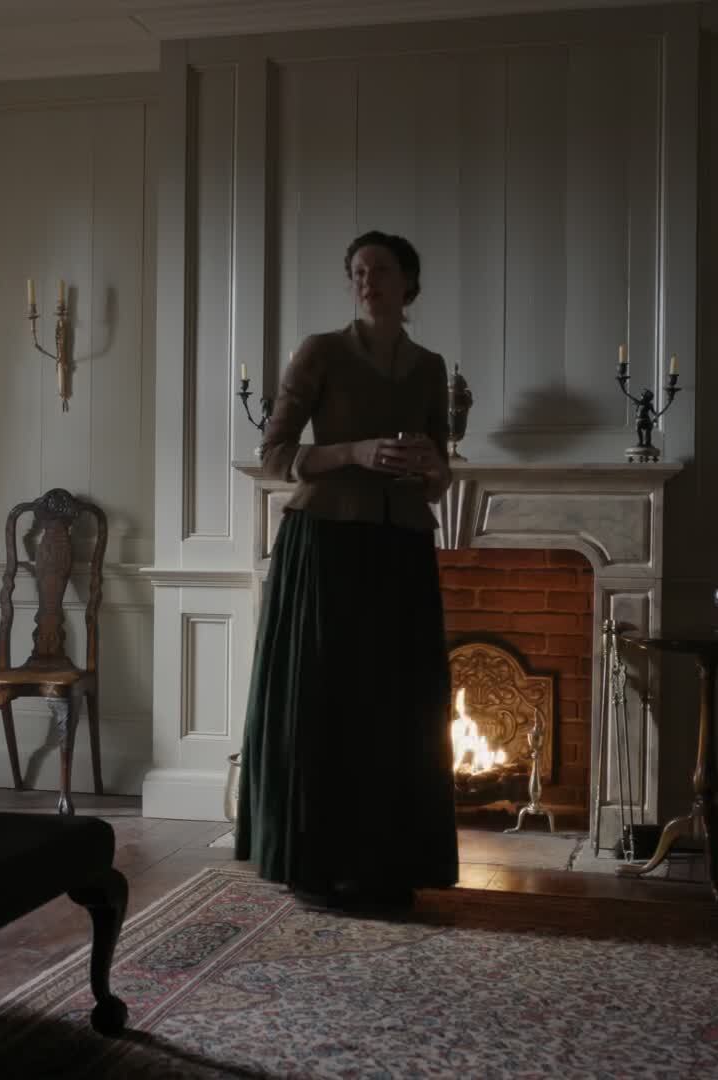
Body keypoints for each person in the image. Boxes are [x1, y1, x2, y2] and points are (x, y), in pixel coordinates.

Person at [233, 229, 459, 909]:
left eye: (380, 269)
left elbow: (440, 476)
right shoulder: (321, 351)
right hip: (326, 543)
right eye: (358, 271)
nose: (366, 280)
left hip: (400, 548)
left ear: (407, 282)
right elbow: (275, 454)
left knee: (398, 710)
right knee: (327, 704)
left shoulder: (429, 366)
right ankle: (316, 866)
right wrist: (353, 452)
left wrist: (430, 465)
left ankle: (388, 867)